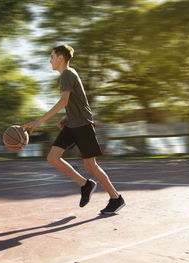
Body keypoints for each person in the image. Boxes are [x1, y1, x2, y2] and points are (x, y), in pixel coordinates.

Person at [23, 45, 125, 215]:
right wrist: (66, 118)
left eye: (52, 56)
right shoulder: (67, 75)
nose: (50, 60)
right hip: (72, 123)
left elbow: (64, 101)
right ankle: (85, 184)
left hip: (83, 124)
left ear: (61, 58)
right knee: (53, 157)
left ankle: (116, 198)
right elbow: (74, 101)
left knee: (90, 165)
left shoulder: (67, 74)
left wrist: (38, 121)